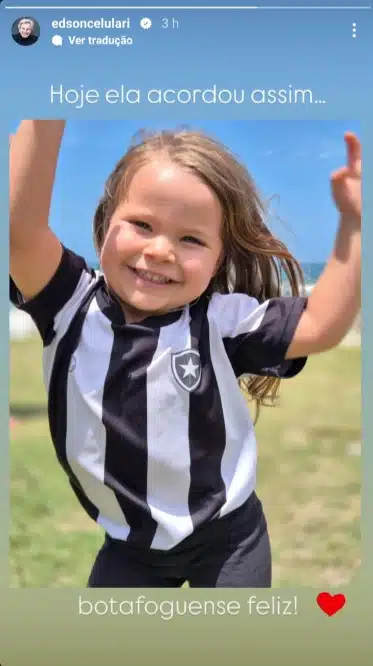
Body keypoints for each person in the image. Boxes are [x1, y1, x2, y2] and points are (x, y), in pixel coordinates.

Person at [9, 121, 361, 588]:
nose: (160, 251)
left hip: (229, 539)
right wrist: (46, 110)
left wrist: (356, 225)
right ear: (105, 225)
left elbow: (320, 324)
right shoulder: (68, 302)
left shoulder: (222, 322)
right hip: (130, 548)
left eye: (190, 239)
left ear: (218, 259)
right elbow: (18, 230)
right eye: (142, 225)